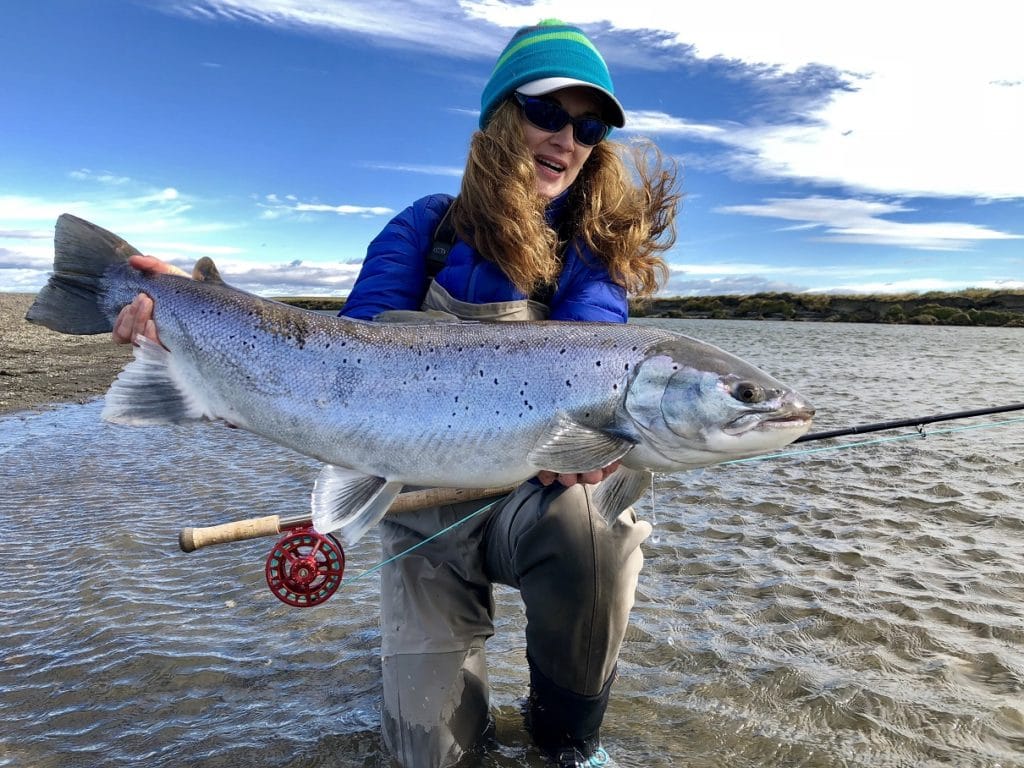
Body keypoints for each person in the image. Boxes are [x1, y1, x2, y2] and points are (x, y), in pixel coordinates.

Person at [113, 19, 680, 768]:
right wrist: (190, 328)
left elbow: (594, 346)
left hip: (528, 499)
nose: (567, 138)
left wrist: (599, 446)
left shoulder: (591, 251)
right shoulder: (425, 228)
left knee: (592, 530)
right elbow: (341, 358)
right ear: (500, 120)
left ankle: (568, 740)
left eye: (589, 125)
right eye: (548, 112)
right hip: (418, 513)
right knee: (427, 756)